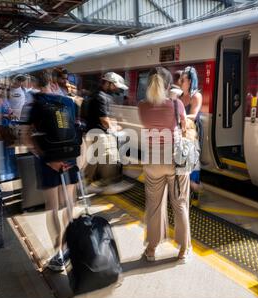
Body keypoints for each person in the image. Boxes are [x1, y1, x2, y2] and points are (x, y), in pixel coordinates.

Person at [26, 70, 78, 272]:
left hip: (48, 160)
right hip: (70, 159)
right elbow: (75, 131)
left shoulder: (35, 104)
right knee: (69, 206)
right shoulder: (70, 103)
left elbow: (26, 138)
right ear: (55, 83)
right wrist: (71, 161)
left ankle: (59, 252)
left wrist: (47, 160)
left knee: (53, 207)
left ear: (33, 82)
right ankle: (70, 247)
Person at [138, 67, 191, 263]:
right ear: (169, 85)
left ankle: (151, 249)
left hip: (152, 160)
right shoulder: (176, 105)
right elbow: (184, 127)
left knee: (153, 206)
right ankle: (183, 251)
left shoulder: (142, 106)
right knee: (180, 204)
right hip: (175, 161)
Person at [83, 72, 128, 189]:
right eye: (115, 85)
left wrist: (113, 124)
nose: (116, 88)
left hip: (95, 132)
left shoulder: (100, 95)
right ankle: (107, 183)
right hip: (98, 133)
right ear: (108, 83)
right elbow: (104, 120)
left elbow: (104, 116)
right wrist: (114, 128)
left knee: (96, 159)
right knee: (109, 157)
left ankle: (85, 182)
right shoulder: (100, 97)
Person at [180, 66, 203, 195]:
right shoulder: (179, 96)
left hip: (192, 132)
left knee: (193, 162)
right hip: (181, 132)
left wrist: (178, 116)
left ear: (190, 81)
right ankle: (185, 189)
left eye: (183, 80)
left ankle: (194, 191)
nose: (180, 82)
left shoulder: (196, 96)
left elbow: (193, 115)